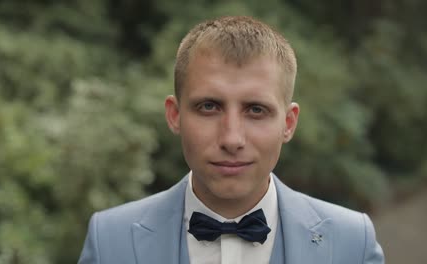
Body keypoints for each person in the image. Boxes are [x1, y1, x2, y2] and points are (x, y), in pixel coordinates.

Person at [78, 16, 384, 264]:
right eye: (208, 107)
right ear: (175, 115)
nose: (232, 138)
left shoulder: (353, 243)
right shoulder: (109, 241)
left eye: (256, 110)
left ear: (288, 124)